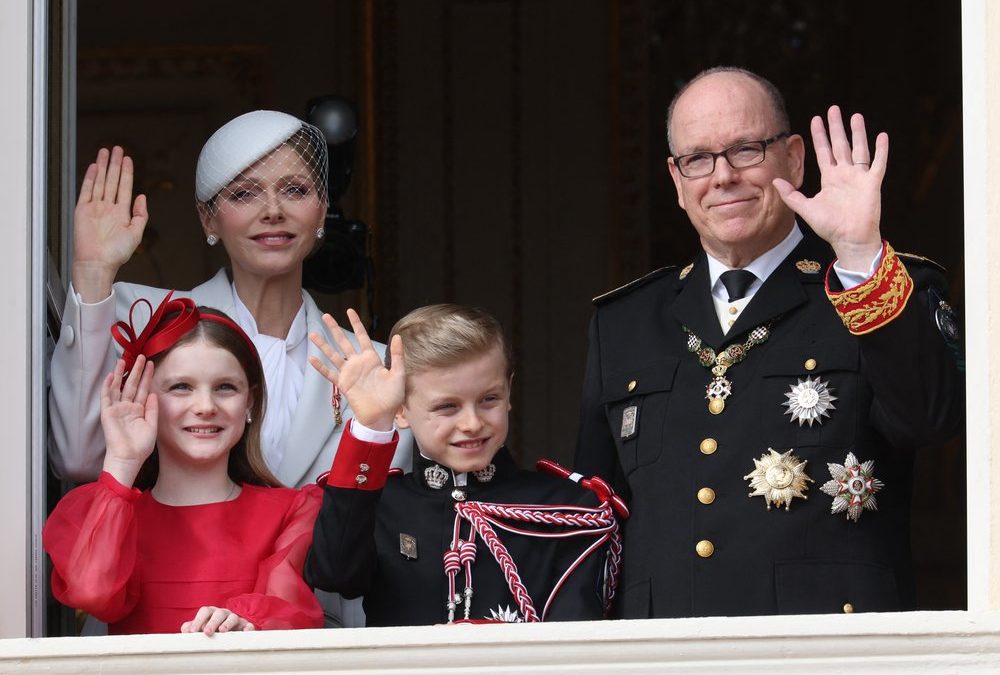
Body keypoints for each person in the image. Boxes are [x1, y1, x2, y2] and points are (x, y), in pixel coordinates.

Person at [574, 66, 964, 619]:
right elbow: (592, 521)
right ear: (676, 178)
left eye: (746, 150)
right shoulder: (626, 322)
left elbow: (931, 419)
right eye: (698, 159)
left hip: (826, 655)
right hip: (663, 654)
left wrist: (857, 253)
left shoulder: (874, 282)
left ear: (795, 158)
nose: (723, 176)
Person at [48, 110, 411, 627]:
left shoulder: (374, 364)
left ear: (323, 209)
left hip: (318, 641)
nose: (273, 211)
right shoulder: (146, 320)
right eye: (243, 194)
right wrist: (92, 273)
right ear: (207, 219)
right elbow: (78, 458)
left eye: (296, 190)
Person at [304, 305, 625, 626]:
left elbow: (577, 642)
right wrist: (372, 425)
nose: (472, 423)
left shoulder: (567, 509)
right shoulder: (380, 506)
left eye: (489, 400)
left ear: (509, 391)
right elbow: (334, 575)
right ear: (401, 409)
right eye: (447, 407)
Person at [43, 294, 323, 635]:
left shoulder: (291, 511)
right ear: (143, 398)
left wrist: (246, 621)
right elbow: (93, 594)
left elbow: (292, 610)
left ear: (249, 401)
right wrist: (122, 459)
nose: (205, 405)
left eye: (225, 387)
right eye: (181, 387)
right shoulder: (109, 516)